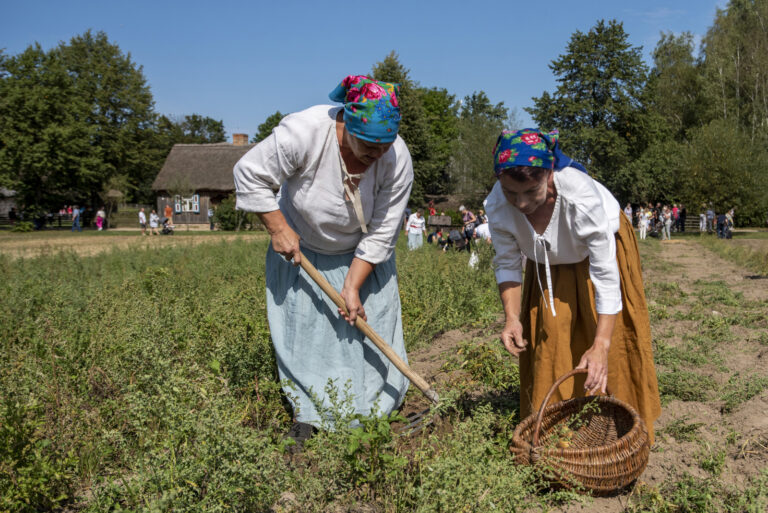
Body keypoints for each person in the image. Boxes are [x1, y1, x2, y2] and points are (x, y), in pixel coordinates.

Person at [233, 75, 412, 445]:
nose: (377, 155)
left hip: (365, 256)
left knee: (369, 330)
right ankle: (309, 413)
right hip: (304, 250)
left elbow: (383, 230)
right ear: (346, 124)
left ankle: (373, 413)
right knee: (307, 338)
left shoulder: (397, 158)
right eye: (368, 145)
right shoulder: (304, 133)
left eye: (384, 146)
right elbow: (249, 173)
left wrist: (353, 284)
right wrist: (278, 227)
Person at [487, 128, 661, 443]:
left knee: (610, 340)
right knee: (550, 335)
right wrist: (512, 318)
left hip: (596, 252)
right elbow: (508, 262)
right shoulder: (497, 206)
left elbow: (606, 274)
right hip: (546, 262)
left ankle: (620, 429)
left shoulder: (579, 196)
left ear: (548, 175)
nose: (522, 203)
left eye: (531, 191)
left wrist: (602, 345)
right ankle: (554, 432)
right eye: (512, 193)